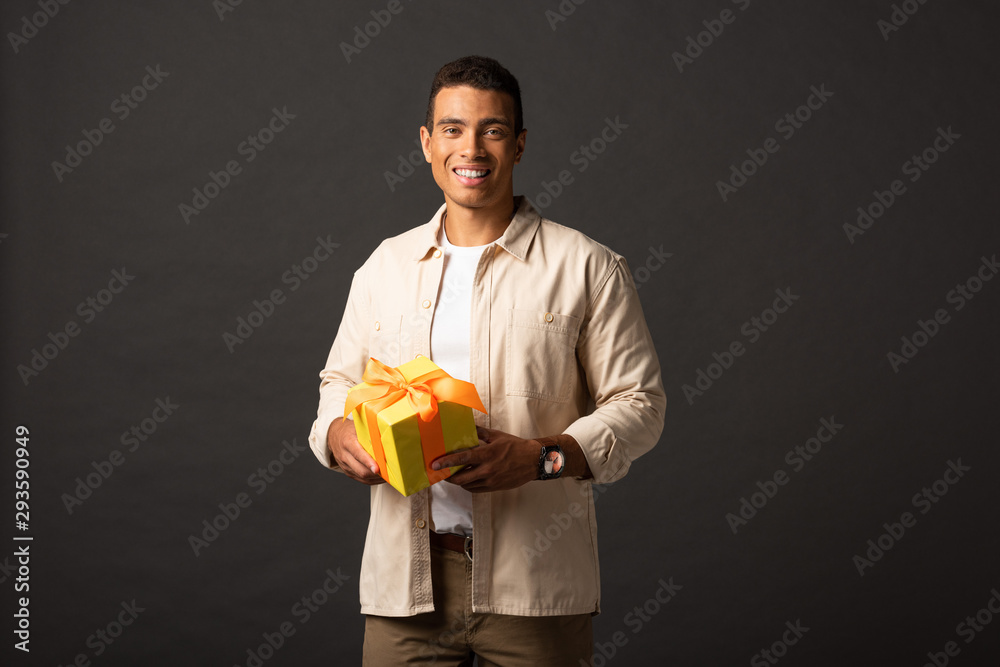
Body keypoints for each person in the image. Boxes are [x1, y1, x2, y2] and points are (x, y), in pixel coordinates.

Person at [308, 55, 665, 666]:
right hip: (406, 586)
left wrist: (540, 458)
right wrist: (339, 433)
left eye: (492, 130)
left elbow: (641, 404)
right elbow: (339, 385)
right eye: (451, 128)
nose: (470, 147)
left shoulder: (587, 267)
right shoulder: (382, 268)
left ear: (519, 145)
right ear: (426, 143)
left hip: (535, 584)